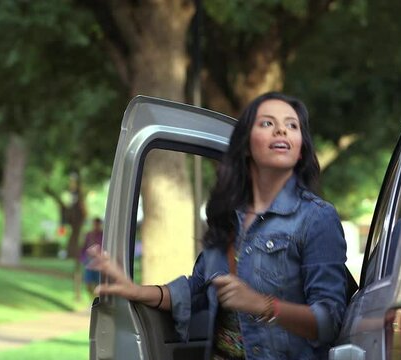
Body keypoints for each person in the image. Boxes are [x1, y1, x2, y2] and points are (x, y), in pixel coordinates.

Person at [87, 92, 348, 359]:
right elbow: (195, 291)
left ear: (301, 146)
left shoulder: (316, 218)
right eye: (267, 123)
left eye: (292, 125)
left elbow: (329, 321)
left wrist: (263, 305)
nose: (281, 129)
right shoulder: (228, 218)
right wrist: (136, 291)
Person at [79, 217, 104, 297]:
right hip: (89, 260)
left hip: (99, 261)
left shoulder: (103, 234)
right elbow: (84, 246)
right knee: (88, 282)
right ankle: (92, 297)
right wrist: (83, 259)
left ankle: (97, 298)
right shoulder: (89, 234)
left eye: (97, 224)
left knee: (98, 282)